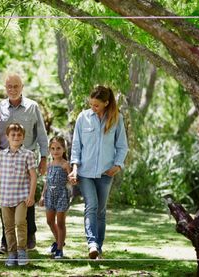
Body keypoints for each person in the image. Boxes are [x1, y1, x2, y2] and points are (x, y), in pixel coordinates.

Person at [0, 73, 48, 254]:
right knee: (6, 202)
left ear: (22, 87)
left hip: (27, 159)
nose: (13, 90)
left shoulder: (32, 107)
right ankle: (5, 241)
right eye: (9, 87)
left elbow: (41, 134)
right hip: (5, 161)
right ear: (5, 88)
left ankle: (30, 234)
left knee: (27, 199)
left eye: (16, 86)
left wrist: (44, 158)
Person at [69, 85, 128, 259]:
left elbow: (122, 146)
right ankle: (92, 243)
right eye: (91, 104)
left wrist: (118, 166)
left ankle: (98, 249)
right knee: (91, 206)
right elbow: (76, 145)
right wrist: (74, 169)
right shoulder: (83, 117)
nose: (93, 108)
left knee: (101, 211)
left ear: (106, 103)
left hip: (105, 173)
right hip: (85, 173)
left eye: (96, 105)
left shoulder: (117, 119)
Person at [0, 123, 37, 266]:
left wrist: (31, 196)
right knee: (8, 226)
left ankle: (22, 251)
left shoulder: (28, 155)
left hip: (22, 196)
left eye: (19, 135)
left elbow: (33, 176)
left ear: (23, 137)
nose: (16, 137)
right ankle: (12, 253)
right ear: (7, 137)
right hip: (5, 197)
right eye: (13, 135)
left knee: (20, 222)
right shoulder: (1, 155)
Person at [38, 136, 72, 259]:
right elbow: (47, 181)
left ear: (63, 149)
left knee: (60, 223)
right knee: (49, 221)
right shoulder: (50, 164)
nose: (55, 151)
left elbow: (71, 180)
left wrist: (72, 181)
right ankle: (59, 241)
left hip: (62, 195)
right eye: (52, 148)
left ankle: (59, 249)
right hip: (49, 195)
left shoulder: (66, 165)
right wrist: (42, 195)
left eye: (58, 148)